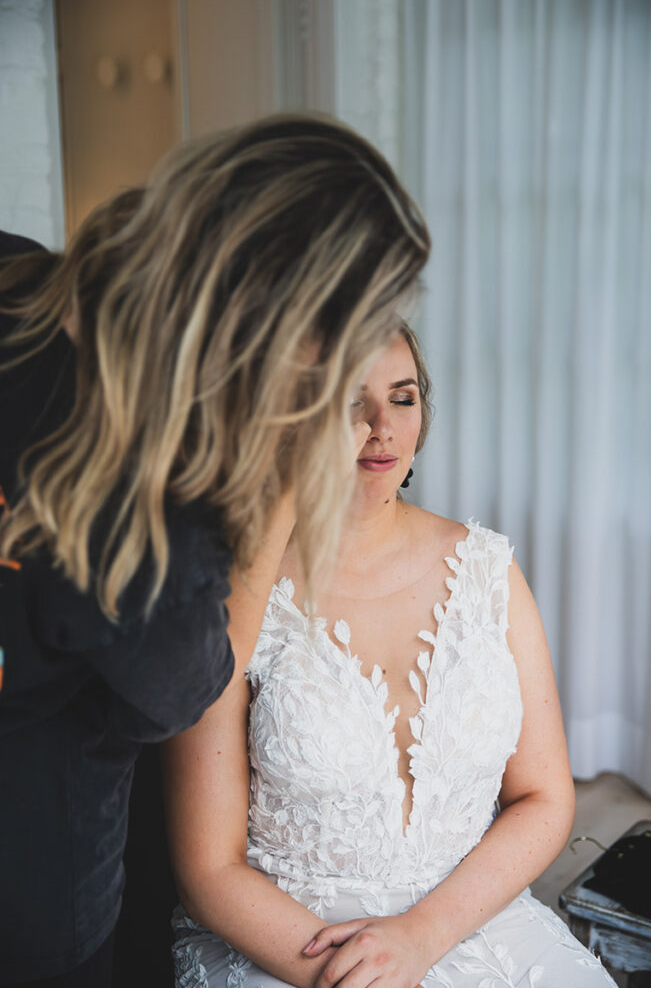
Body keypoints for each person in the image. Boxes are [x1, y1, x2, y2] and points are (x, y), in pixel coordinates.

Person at [0, 114, 430, 987]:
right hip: (29, 861)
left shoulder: (14, 272)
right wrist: (279, 482)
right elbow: (180, 695)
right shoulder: (167, 494)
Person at [165, 326, 618, 987]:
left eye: (401, 398)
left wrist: (421, 937)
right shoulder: (227, 595)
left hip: (471, 918)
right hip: (292, 943)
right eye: (349, 401)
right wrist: (360, 973)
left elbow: (543, 796)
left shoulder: (487, 570)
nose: (380, 426)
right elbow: (207, 872)